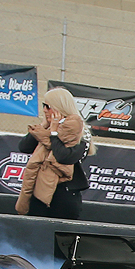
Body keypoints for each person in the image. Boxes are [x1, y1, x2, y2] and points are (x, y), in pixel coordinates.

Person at [15, 86, 91, 220]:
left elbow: (63, 157)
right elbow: (24, 147)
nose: (44, 110)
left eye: (48, 106)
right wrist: (44, 126)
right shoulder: (46, 129)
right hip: (40, 190)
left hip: (65, 192)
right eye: (43, 106)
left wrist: (54, 134)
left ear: (59, 107)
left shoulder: (80, 132)